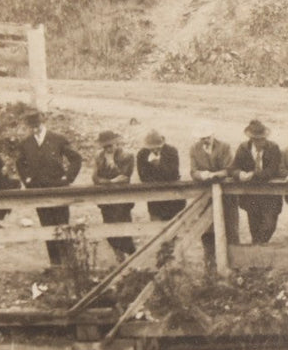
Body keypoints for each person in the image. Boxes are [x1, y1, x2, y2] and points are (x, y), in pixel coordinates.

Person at [16, 110, 83, 267]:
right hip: (38, 191)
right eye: (31, 126)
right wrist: (27, 180)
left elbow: (76, 158)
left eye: (37, 125)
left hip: (58, 189)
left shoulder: (57, 139)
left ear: (42, 122)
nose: (35, 129)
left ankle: (69, 265)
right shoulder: (25, 143)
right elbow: (20, 163)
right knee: (47, 226)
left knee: (62, 224)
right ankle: (55, 264)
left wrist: (68, 178)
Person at [189, 129, 238, 261]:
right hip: (205, 196)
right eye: (202, 138)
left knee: (231, 228)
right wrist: (201, 175)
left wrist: (215, 175)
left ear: (213, 135)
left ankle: (234, 263)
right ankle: (210, 263)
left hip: (226, 195)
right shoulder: (194, 149)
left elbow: (229, 169)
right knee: (207, 230)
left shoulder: (224, 147)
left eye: (207, 137)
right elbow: (193, 171)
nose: (205, 140)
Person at [233, 119, 284, 244]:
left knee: (269, 226)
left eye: (262, 138)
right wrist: (239, 174)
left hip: (270, 196)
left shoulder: (273, 148)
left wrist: (253, 175)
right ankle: (257, 261)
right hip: (251, 196)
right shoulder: (243, 148)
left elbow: (272, 170)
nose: (260, 142)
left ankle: (257, 253)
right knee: (254, 229)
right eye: (257, 139)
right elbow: (233, 168)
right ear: (252, 139)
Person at [92, 131, 135, 261]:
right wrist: (109, 182)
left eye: (110, 145)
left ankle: (132, 256)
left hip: (122, 198)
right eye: (105, 147)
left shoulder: (127, 155)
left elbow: (124, 176)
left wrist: (106, 180)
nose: (108, 149)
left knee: (124, 227)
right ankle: (119, 256)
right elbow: (95, 177)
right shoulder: (99, 156)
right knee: (109, 227)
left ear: (116, 143)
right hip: (105, 198)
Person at [137, 130, 185, 221]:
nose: (155, 150)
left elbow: (174, 173)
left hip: (173, 196)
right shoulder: (142, 154)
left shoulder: (171, 151)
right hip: (154, 197)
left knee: (174, 225)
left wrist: (159, 165)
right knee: (157, 224)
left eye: (157, 147)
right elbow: (142, 176)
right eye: (151, 148)